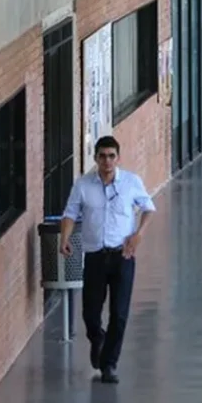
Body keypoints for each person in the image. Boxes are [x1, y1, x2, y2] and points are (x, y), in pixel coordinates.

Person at [60, 135, 156, 384]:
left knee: (119, 313)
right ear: (95, 158)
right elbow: (70, 213)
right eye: (102, 156)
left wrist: (138, 235)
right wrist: (65, 239)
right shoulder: (83, 185)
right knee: (91, 312)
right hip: (94, 257)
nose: (107, 161)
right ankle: (97, 338)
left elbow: (148, 208)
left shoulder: (131, 183)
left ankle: (109, 364)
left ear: (118, 158)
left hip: (123, 256)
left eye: (112, 156)